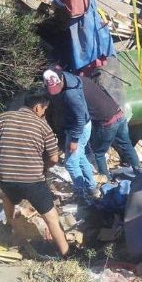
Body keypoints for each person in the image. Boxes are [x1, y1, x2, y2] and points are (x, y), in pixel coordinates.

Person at [0, 91, 69, 257]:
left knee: (9, 198)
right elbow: (53, 158)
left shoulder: (1, 119)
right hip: (33, 181)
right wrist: (44, 166)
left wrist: (5, 156)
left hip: (5, 179)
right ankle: (67, 254)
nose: (44, 114)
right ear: (38, 107)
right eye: (44, 110)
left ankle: (16, 236)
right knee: (51, 217)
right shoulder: (43, 126)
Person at [43, 68, 99, 202]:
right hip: (77, 127)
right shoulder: (68, 77)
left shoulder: (70, 95)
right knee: (80, 158)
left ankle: (82, 196)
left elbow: (80, 119)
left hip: (78, 129)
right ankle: (92, 188)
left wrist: (74, 140)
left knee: (70, 163)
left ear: (61, 79)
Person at [82, 75, 141, 179]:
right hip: (120, 114)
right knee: (126, 144)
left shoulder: (76, 92)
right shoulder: (87, 81)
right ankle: (139, 171)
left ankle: (106, 179)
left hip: (108, 122)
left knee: (99, 153)